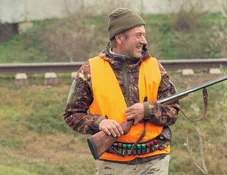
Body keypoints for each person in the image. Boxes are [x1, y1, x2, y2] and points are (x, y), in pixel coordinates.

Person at [63, 8, 180, 175]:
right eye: (138, 35)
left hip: (155, 159)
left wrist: (147, 110)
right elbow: (72, 115)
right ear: (119, 37)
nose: (144, 41)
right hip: (113, 163)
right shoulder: (90, 69)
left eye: (144, 34)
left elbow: (173, 111)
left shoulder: (155, 67)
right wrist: (99, 122)